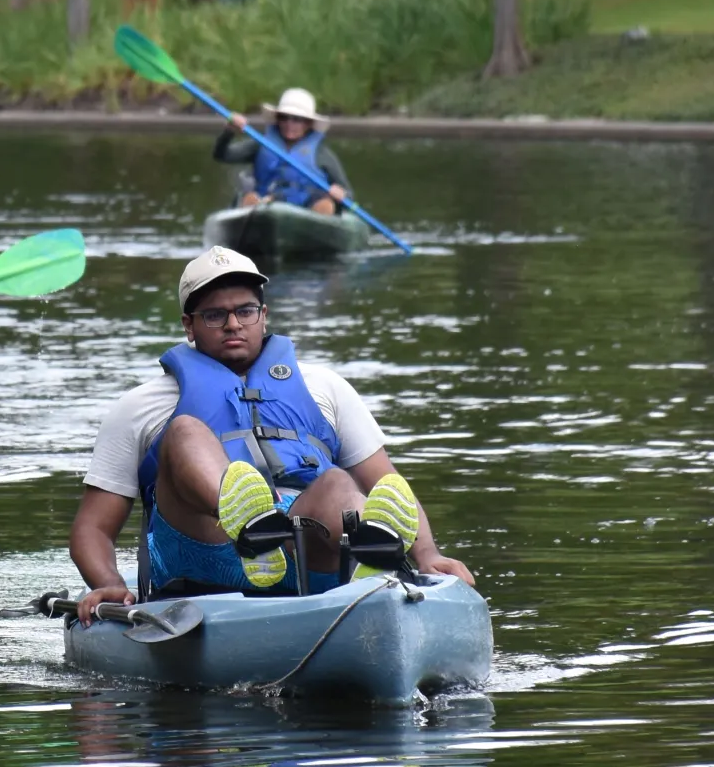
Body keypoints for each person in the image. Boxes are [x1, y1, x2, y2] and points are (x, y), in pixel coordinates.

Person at [69, 248, 473, 620]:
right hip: (206, 546)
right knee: (185, 431)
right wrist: (109, 585)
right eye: (215, 315)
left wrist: (427, 554)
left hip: (308, 549)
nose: (233, 324)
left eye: (245, 311)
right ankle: (252, 527)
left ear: (264, 315)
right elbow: (93, 527)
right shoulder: (141, 406)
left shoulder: (326, 387)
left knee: (335, 481)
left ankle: (373, 556)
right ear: (188, 326)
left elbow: (386, 480)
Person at [215, 88, 350, 216]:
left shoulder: (322, 155)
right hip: (264, 204)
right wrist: (229, 132)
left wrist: (340, 194)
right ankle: (255, 210)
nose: (289, 124)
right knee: (249, 197)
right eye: (284, 117)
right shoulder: (261, 144)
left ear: (308, 123)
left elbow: (348, 194)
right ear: (277, 119)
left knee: (325, 204)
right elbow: (222, 155)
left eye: (297, 119)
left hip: (306, 209)